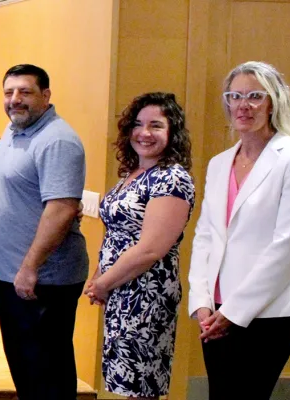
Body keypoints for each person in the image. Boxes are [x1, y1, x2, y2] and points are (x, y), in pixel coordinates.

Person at [188, 61, 290, 399]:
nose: (243, 105)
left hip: (267, 311)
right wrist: (201, 300)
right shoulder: (220, 163)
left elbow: (287, 245)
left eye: (254, 96)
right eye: (235, 96)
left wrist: (234, 312)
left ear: (273, 102)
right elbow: (206, 235)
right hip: (215, 309)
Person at [0, 64, 88, 400]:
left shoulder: (57, 140)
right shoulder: (15, 129)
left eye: (25, 92)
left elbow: (61, 209)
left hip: (43, 280)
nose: (15, 100)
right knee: (27, 372)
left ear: (46, 96)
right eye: (9, 92)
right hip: (16, 276)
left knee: (47, 375)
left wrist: (30, 267)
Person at [84, 92, 194, 399]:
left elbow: (150, 250)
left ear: (172, 132)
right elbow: (116, 234)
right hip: (121, 289)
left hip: (146, 293)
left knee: (141, 385)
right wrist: (99, 277)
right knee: (124, 383)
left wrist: (103, 283)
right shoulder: (131, 175)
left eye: (156, 126)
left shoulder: (171, 179)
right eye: (138, 124)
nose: (144, 133)